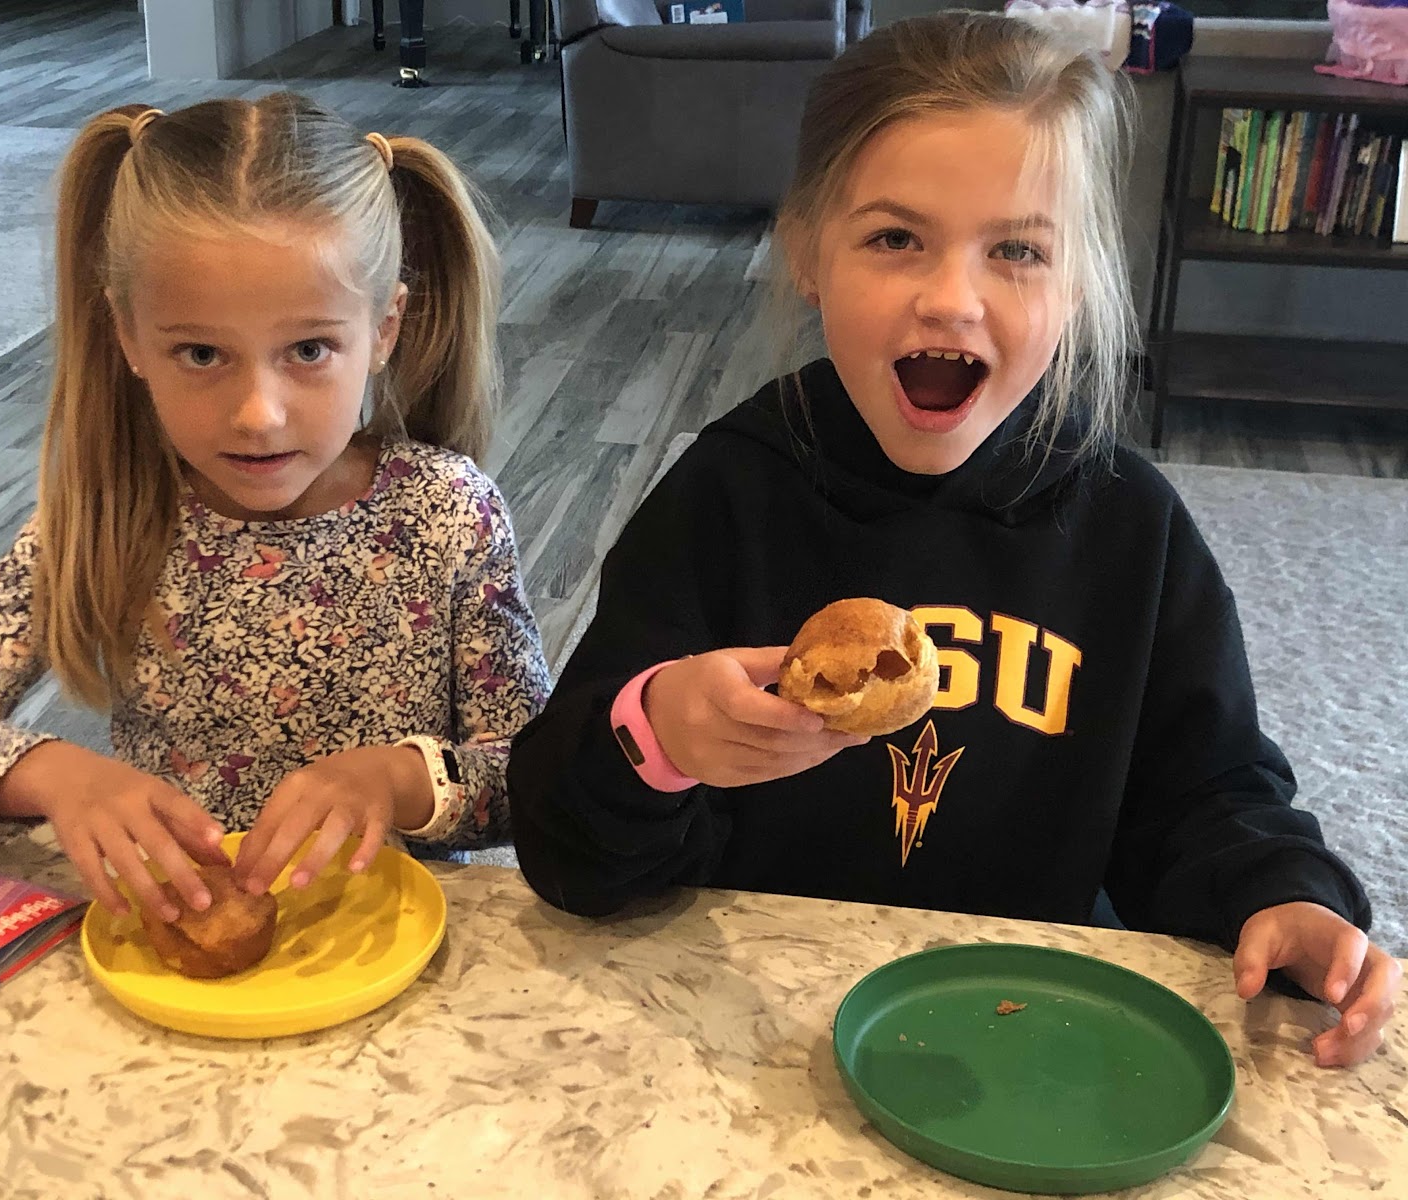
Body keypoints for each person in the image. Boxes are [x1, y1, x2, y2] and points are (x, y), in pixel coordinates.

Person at [508, 13, 1399, 1067]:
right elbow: (567, 857)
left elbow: (1209, 794)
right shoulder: (726, 497)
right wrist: (656, 738)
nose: (951, 299)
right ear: (807, 254)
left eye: (1017, 250)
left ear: (1076, 283)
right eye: (895, 239)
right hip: (758, 1036)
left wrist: (1282, 894)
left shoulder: (1130, 528)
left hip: (1021, 1031)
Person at [0, 93, 549, 925]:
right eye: (200, 352)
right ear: (128, 336)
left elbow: (538, 775)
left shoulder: (448, 514)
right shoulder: (109, 517)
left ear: (383, 328)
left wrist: (398, 781)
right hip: (185, 945)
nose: (258, 414)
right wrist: (59, 777)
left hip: (401, 940)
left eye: (309, 349)